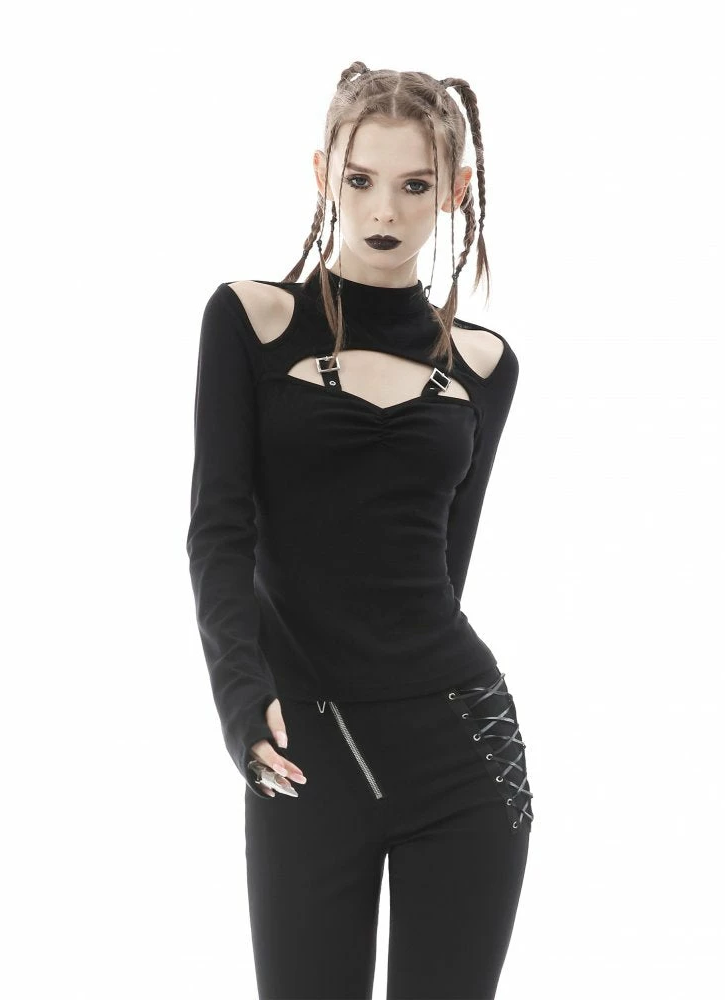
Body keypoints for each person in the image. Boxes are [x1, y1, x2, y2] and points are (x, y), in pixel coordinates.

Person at [185, 61, 534, 999]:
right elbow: (217, 531)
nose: (385, 210)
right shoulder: (252, 322)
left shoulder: (485, 365)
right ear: (323, 173)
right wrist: (240, 693)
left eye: (416, 184)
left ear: (454, 189)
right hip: (302, 750)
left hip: (461, 749)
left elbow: (447, 565)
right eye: (361, 178)